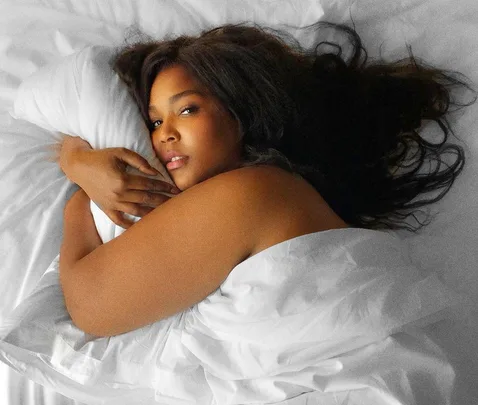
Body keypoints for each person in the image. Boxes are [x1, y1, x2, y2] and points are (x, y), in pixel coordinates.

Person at [57, 22, 474, 337]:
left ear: (242, 114)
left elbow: (90, 306)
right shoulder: (270, 192)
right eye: (153, 120)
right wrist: (76, 159)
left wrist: (81, 197)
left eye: (187, 110)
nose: (164, 133)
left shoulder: (250, 193)